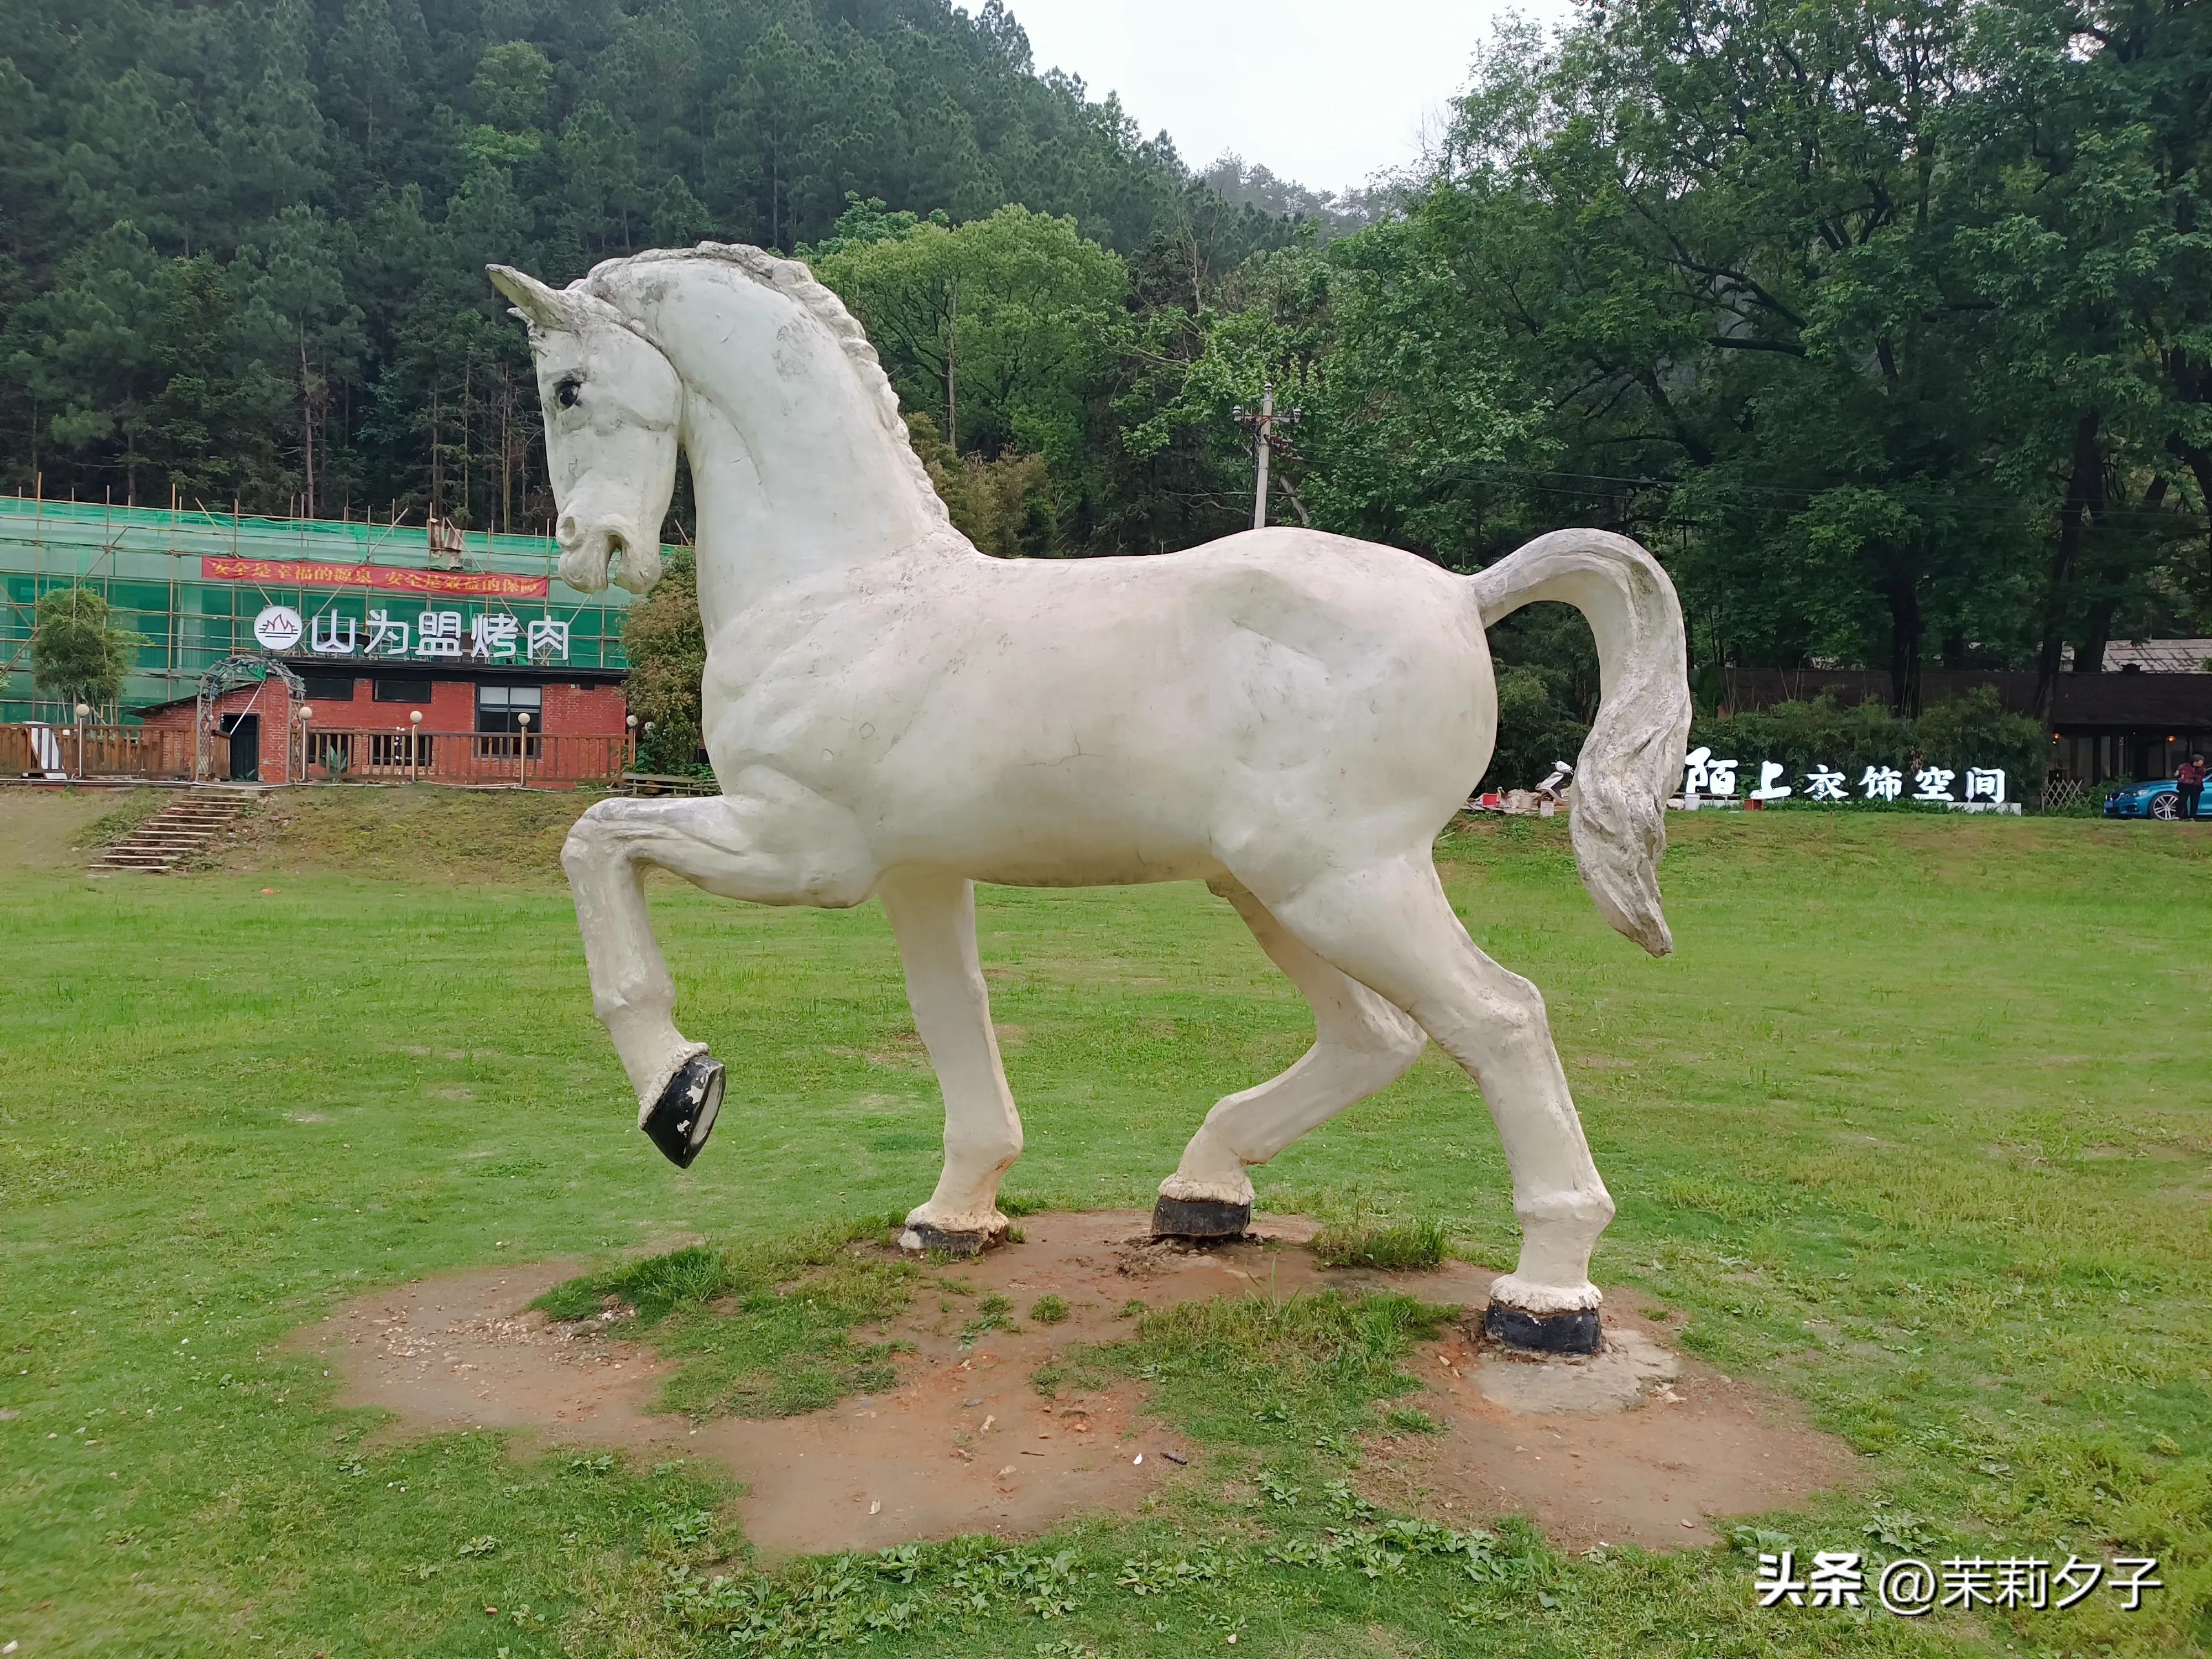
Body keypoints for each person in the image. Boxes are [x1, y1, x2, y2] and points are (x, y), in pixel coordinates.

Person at [2178, 753, 2206, 821]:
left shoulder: (2202, 768)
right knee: (2182, 800)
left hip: (2197, 786)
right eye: (2200, 761)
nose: (2202, 763)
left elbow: (2202, 776)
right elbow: (2179, 775)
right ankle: (2178, 816)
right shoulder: (2185, 766)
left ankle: (2192, 817)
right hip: (2185, 786)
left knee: (2195, 802)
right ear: (2195, 761)